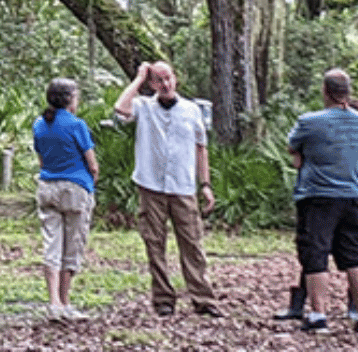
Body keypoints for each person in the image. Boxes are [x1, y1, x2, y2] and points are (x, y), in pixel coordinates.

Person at [273, 103, 358, 321]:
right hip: (355, 201)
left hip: (331, 200)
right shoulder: (343, 135)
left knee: (320, 254)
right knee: (342, 257)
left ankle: (322, 314)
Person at [113, 60, 219, 317]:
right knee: (154, 242)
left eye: (168, 78)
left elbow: (200, 148)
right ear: (152, 84)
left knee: (192, 243)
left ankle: (203, 299)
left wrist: (205, 184)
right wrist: (138, 79)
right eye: (158, 80)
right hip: (150, 185)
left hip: (183, 187)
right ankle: (163, 299)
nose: (165, 84)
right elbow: (120, 108)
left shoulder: (191, 110)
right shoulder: (143, 107)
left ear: (176, 78)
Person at [286, 68, 358, 333]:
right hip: (355, 198)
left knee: (316, 255)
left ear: (325, 91)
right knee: (354, 258)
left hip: (319, 197)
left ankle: (318, 316)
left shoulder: (309, 121)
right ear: (347, 92)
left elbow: (293, 146)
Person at [31, 77, 98, 322]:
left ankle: (53, 302)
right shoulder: (77, 125)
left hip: (48, 185)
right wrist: (91, 183)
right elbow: (92, 163)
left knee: (51, 245)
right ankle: (65, 301)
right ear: (69, 99)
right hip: (75, 188)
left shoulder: (39, 124)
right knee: (72, 246)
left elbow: (41, 159)